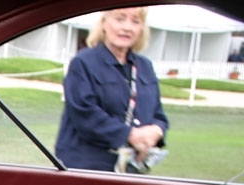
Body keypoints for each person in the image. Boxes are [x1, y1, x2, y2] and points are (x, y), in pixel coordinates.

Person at [55, 7, 168, 172]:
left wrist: (157, 131)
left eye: (135, 21)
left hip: (130, 168)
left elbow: (158, 114)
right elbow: (84, 113)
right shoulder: (83, 63)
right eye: (120, 19)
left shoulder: (145, 67)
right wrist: (129, 135)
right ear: (104, 23)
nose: (127, 27)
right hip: (86, 167)